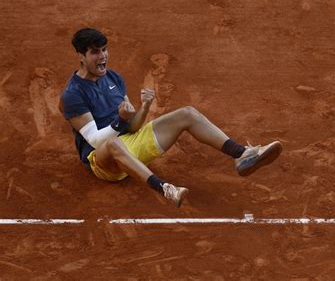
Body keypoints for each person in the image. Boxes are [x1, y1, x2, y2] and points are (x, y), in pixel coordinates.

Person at [60, 28, 282, 207]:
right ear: (81, 56)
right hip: (104, 162)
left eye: (105, 50)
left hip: (129, 146)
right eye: (95, 52)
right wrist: (119, 120)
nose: (103, 56)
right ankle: (165, 188)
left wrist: (145, 107)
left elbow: (134, 126)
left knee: (188, 114)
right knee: (113, 143)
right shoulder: (73, 95)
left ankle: (241, 154)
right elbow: (96, 141)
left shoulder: (113, 78)